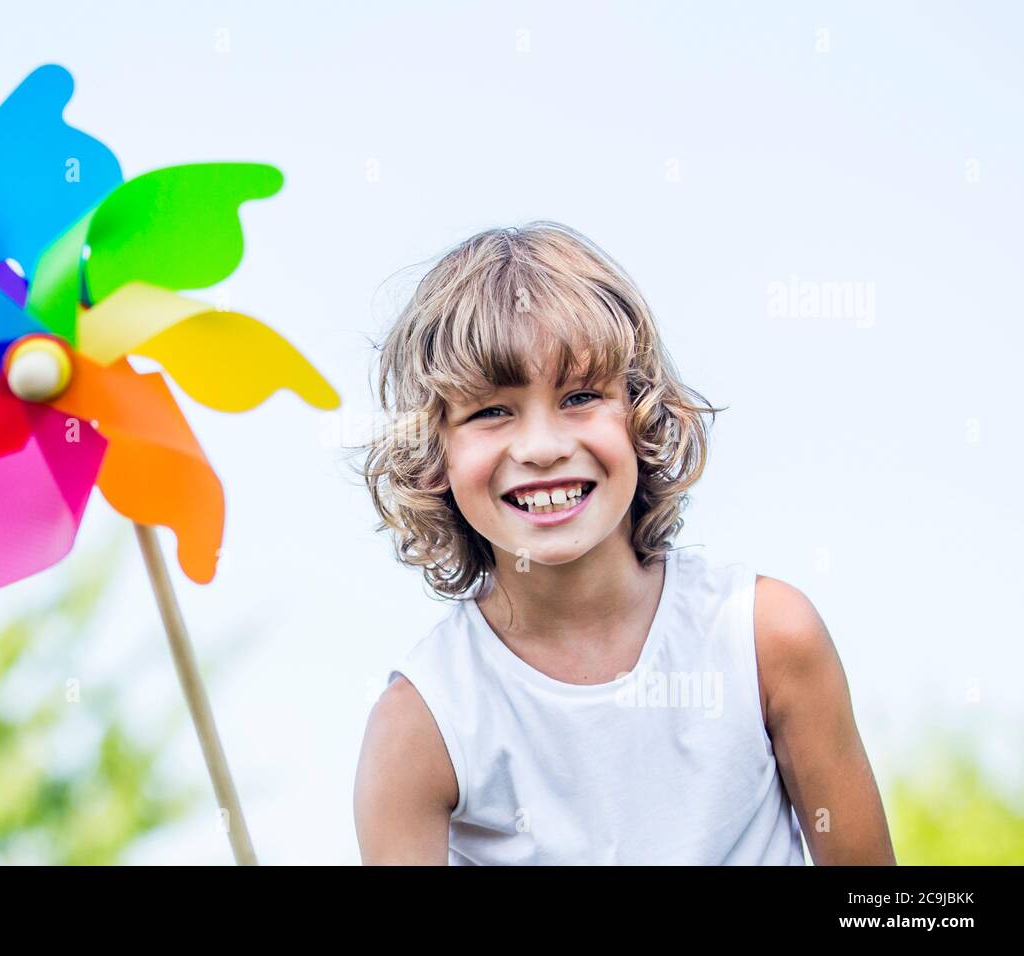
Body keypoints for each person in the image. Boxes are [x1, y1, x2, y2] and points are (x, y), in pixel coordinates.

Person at [354, 222, 895, 865]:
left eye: (580, 396)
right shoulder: (423, 722)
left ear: (641, 413)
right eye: (490, 411)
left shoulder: (766, 637)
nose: (543, 447)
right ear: (433, 452)